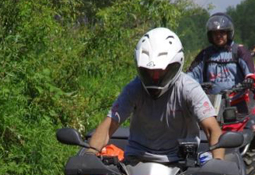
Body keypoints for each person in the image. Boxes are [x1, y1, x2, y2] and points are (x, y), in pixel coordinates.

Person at [87, 27, 225, 163]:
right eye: (148, 71)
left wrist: (218, 162)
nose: (154, 76)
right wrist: (90, 154)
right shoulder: (134, 88)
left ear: (175, 66)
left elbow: (212, 129)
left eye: (161, 70)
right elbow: (109, 125)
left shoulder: (189, 89)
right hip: (137, 161)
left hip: (181, 163)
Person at [186, 13, 255, 95]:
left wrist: (249, 80)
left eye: (222, 32)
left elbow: (251, 73)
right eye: (215, 33)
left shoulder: (239, 51)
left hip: (238, 101)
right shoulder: (205, 54)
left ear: (228, 33)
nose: (218, 36)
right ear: (210, 35)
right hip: (212, 102)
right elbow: (190, 75)